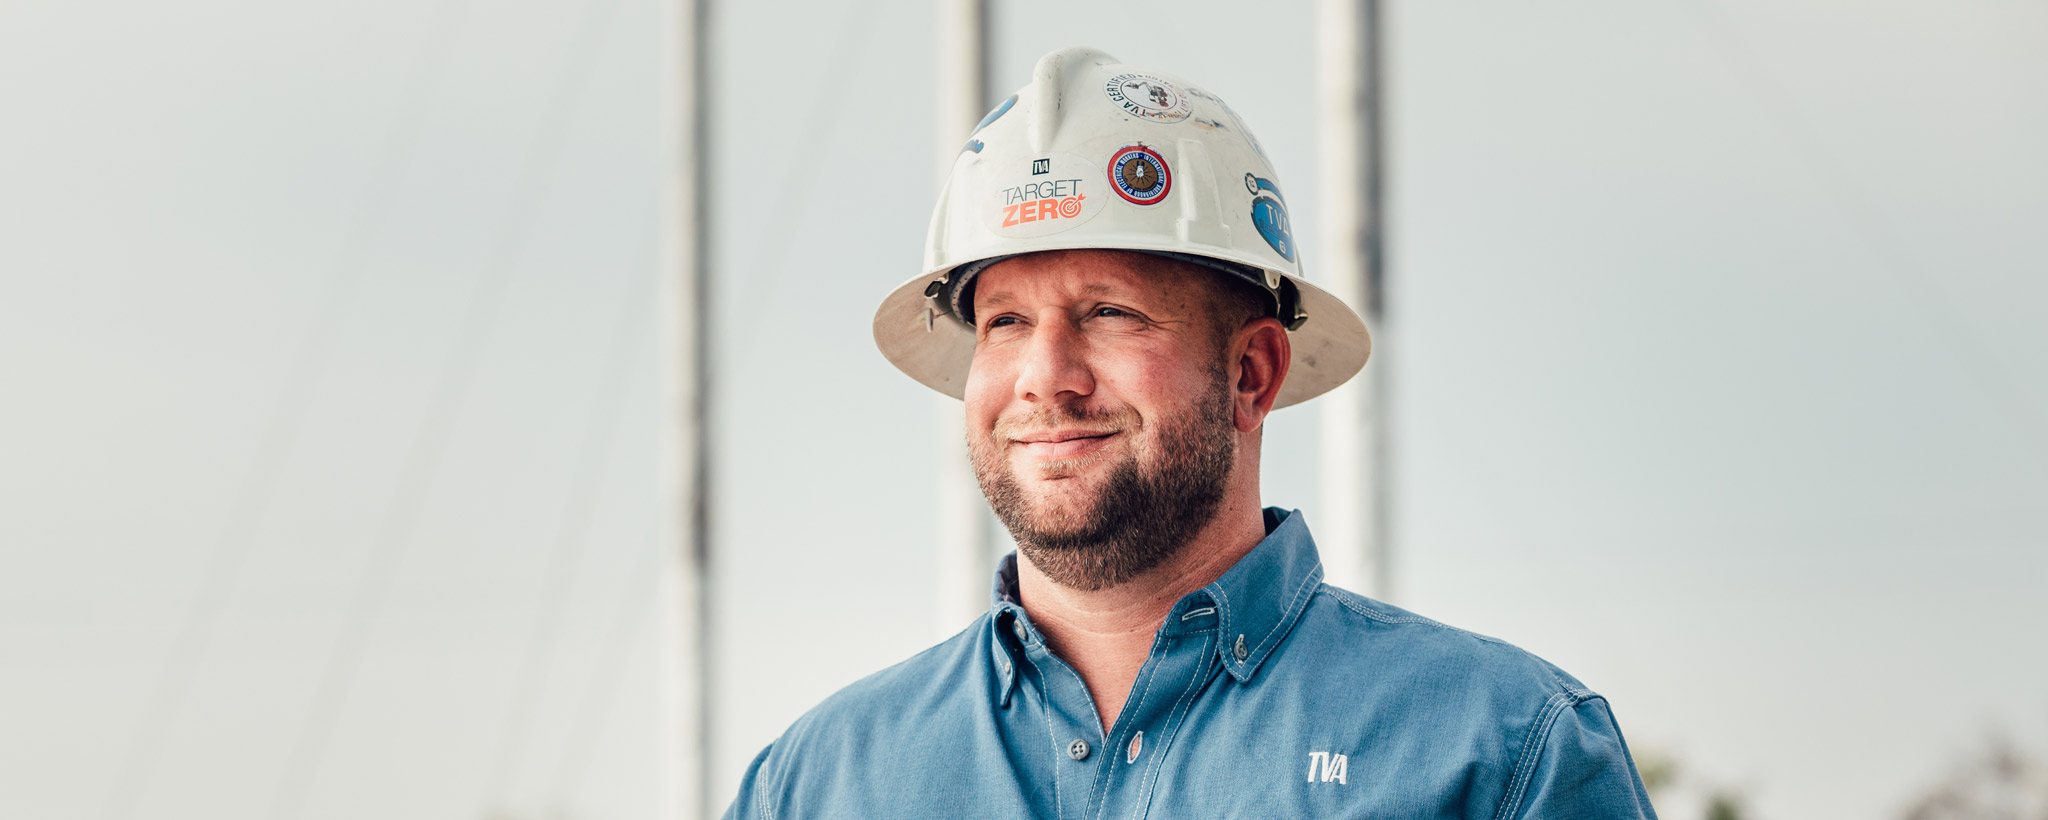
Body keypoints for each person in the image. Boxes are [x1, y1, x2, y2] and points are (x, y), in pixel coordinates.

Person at [723, 46, 1659, 819]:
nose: (1047, 378)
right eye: (1004, 321)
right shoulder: (815, 785)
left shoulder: (1499, 757)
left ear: (1251, 372)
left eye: (1110, 313)